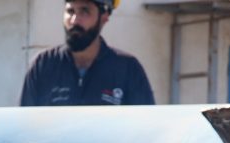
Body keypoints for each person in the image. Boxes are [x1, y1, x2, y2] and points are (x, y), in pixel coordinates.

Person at [20, 0, 155, 106]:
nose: (74, 20)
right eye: (70, 11)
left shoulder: (127, 69)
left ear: (104, 18)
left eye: (85, 11)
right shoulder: (43, 65)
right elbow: (25, 124)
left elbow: (145, 126)